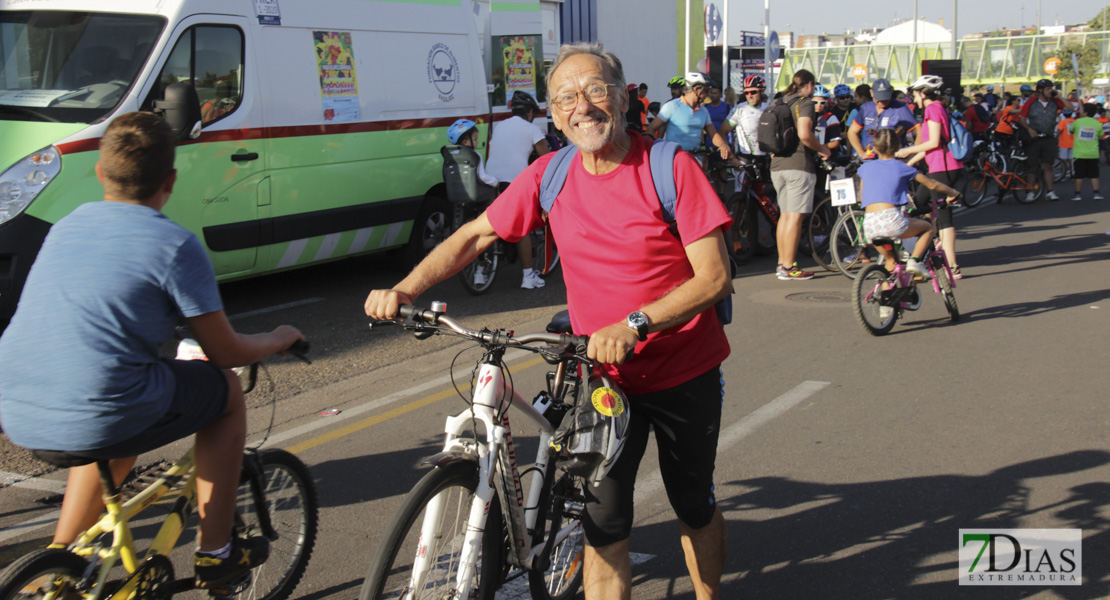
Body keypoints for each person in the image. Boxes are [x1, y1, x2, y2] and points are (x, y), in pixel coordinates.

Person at [365, 41, 733, 600]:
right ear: (553, 113)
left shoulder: (668, 167)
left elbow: (713, 278)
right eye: (565, 97)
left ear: (622, 96)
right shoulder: (550, 173)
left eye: (594, 90)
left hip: (683, 372)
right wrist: (404, 288)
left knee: (693, 506)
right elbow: (476, 234)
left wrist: (634, 324)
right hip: (602, 381)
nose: (581, 106)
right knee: (604, 527)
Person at [0, 112, 304, 591]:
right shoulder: (174, 245)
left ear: (101, 173)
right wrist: (279, 338)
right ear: (171, 180)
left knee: (115, 400)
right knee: (223, 392)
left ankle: (63, 563)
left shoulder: (64, 226)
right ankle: (216, 554)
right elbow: (225, 351)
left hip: (18, 409)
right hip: (101, 411)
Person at [860, 128, 961, 320]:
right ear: (898, 147)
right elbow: (932, 184)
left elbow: (865, 195)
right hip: (890, 219)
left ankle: (885, 306)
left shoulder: (866, 168)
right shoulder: (903, 168)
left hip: (870, 224)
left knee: (890, 262)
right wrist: (952, 193)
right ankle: (915, 260)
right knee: (928, 228)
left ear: (875, 147)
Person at [895, 74, 964, 280]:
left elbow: (933, 142)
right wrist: (909, 163)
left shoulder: (933, 109)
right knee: (917, 204)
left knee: (943, 217)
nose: (914, 99)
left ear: (923, 93)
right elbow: (931, 145)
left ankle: (952, 266)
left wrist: (907, 151)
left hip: (942, 168)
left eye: (915, 95)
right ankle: (921, 251)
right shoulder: (937, 108)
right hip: (938, 165)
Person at [768, 69, 832, 281]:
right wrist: (822, 149)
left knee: (785, 217)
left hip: (778, 165)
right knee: (795, 217)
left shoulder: (780, 102)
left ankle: (782, 264)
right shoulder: (804, 103)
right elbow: (805, 133)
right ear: (810, 85)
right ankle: (789, 266)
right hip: (799, 165)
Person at [486, 90, 552, 288]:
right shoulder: (532, 129)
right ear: (530, 112)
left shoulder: (500, 126)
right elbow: (546, 158)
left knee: (489, 224)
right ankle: (528, 276)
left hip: (490, 181)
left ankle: (480, 272)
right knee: (523, 226)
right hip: (513, 181)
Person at [646, 72, 731, 158]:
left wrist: (722, 144)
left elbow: (713, 134)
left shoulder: (704, 111)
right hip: (675, 159)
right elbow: (650, 129)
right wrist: (656, 148)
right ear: (697, 89)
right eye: (705, 91)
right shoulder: (671, 106)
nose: (708, 95)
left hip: (695, 159)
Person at [1018, 78, 1073, 201]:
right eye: (1048, 89)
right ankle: (1030, 192)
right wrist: (1029, 129)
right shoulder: (1031, 102)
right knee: (1032, 165)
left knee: (1048, 165)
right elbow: (1022, 118)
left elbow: (1070, 108)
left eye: (1051, 89)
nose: (1050, 91)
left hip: (1049, 138)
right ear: (1040, 90)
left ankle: (1050, 191)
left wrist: (1060, 97)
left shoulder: (1055, 102)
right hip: (1034, 138)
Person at [848, 78, 916, 159]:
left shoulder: (901, 108)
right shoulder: (866, 108)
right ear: (871, 93)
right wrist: (861, 152)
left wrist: (912, 155)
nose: (882, 102)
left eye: (885, 98)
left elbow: (918, 131)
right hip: (871, 158)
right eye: (879, 98)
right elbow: (852, 132)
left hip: (895, 159)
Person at [446, 118, 499, 201]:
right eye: (475, 139)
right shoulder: (474, 155)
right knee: (492, 192)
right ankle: (486, 213)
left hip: (455, 192)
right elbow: (482, 176)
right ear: (465, 142)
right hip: (474, 193)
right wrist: (495, 182)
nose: (477, 142)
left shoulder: (451, 155)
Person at [717, 74, 769, 156]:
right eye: (746, 93)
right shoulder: (740, 109)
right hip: (744, 158)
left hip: (765, 157)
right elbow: (722, 131)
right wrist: (731, 157)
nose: (750, 96)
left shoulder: (769, 108)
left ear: (762, 91)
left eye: (753, 92)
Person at [1069, 103, 1106, 201]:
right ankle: (1096, 193)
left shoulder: (1078, 122)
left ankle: (1077, 194)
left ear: (1085, 112)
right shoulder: (1097, 123)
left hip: (1079, 153)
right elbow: (1100, 136)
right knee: (1094, 174)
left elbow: (1071, 130)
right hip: (1093, 153)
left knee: (1079, 175)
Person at [703, 81, 732, 151]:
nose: (712, 95)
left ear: (720, 95)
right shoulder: (705, 108)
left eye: (715, 93)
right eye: (711, 93)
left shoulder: (727, 108)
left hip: (723, 144)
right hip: (708, 145)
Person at [1055, 110, 1077, 180]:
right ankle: (1071, 173)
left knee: (1063, 160)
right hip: (1073, 143)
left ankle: (1063, 174)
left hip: (1064, 143)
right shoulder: (1074, 122)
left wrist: (1055, 137)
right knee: (1071, 160)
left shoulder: (1062, 122)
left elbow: (1059, 130)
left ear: (1063, 115)